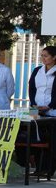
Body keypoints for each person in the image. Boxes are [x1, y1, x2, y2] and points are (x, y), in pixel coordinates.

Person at [28, 46, 56, 175]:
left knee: (51, 140)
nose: (43, 58)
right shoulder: (37, 70)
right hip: (35, 109)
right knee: (35, 137)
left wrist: (50, 105)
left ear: (54, 57)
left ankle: (49, 169)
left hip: (52, 111)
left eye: (46, 56)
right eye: (42, 56)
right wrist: (34, 105)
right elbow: (32, 89)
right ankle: (38, 168)